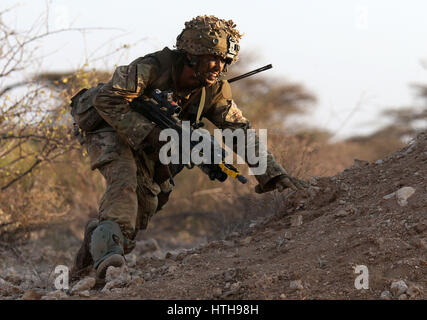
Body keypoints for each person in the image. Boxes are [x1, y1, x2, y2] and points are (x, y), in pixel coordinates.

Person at [70, 15, 308, 281]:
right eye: (212, 58)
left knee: (150, 200)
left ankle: (100, 241)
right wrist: (155, 136)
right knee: (124, 181)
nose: (219, 66)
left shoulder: (214, 90)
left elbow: (239, 131)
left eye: (224, 60)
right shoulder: (153, 67)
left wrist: (273, 175)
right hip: (107, 124)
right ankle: (110, 266)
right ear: (191, 54)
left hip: (154, 136)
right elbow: (107, 100)